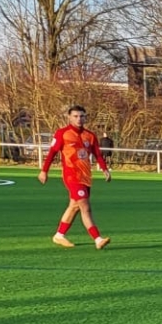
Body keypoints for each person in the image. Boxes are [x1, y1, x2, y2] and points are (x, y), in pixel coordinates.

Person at [40, 104, 112, 248]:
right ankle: (98, 239)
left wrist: (105, 169)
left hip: (85, 176)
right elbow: (52, 153)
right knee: (85, 206)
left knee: (74, 206)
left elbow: (97, 154)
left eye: (82, 116)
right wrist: (44, 171)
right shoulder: (62, 133)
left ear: (85, 118)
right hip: (71, 176)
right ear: (69, 117)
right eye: (76, 116)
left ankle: (59, 235)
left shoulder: (90, 135)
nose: (79, 119)